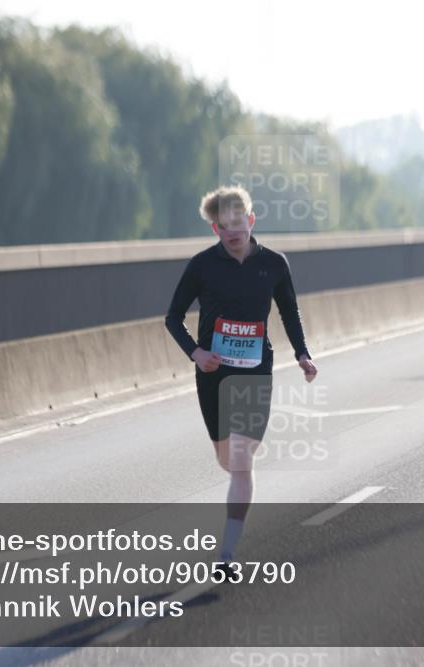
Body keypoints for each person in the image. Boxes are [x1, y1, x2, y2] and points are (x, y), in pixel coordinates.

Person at [165, 185, 317, 566]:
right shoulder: (202, 265)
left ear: (250, 221)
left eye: (238, 224)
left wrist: (302, 354)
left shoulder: (274, 264)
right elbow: (172, 317)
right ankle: (231, 529)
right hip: (214, 375)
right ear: (215, 230)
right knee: (225, 459)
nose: (233, 232)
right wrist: (196, 354)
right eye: (223, 227)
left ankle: (227, 552)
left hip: (254, 374)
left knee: (241, 458)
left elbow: (289, 312)